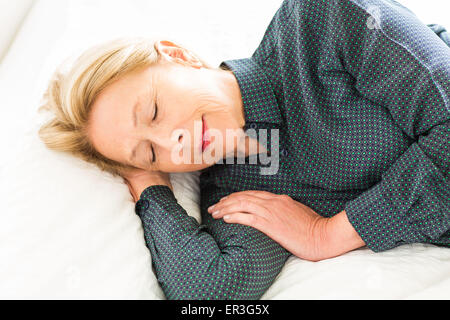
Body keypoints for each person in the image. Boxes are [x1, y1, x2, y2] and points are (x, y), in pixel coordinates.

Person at [38, 0, 450, 300]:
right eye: (150, 151)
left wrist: (328, 233)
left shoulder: (318, 21)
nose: (172, 143)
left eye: (155, 111)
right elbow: (209, 288)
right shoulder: (235, 189)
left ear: (178, 55)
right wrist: (149, 186)